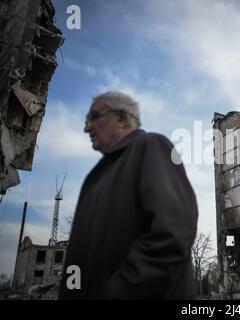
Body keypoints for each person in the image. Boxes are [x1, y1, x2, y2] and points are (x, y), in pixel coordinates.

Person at [59, 92, 198, 299]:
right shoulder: (94, 179)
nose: (86, 127)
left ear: (122, 118)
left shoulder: (151, 146)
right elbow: (79, 258)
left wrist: (114, 293)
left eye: (94, 117)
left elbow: (173, 232)